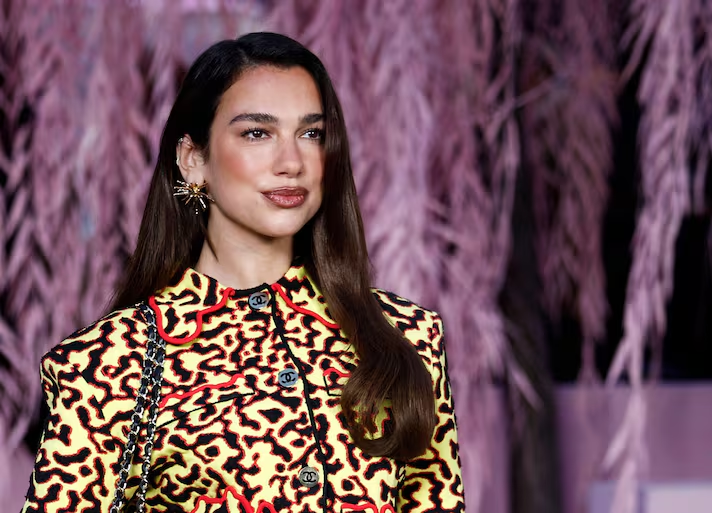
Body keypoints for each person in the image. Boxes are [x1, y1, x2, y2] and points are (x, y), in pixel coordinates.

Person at [21, 32, 464, 513]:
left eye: (311, 134)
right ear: (193, 159)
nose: (292, 163)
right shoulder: (105, 364)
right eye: (257, 133)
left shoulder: (406, 337)